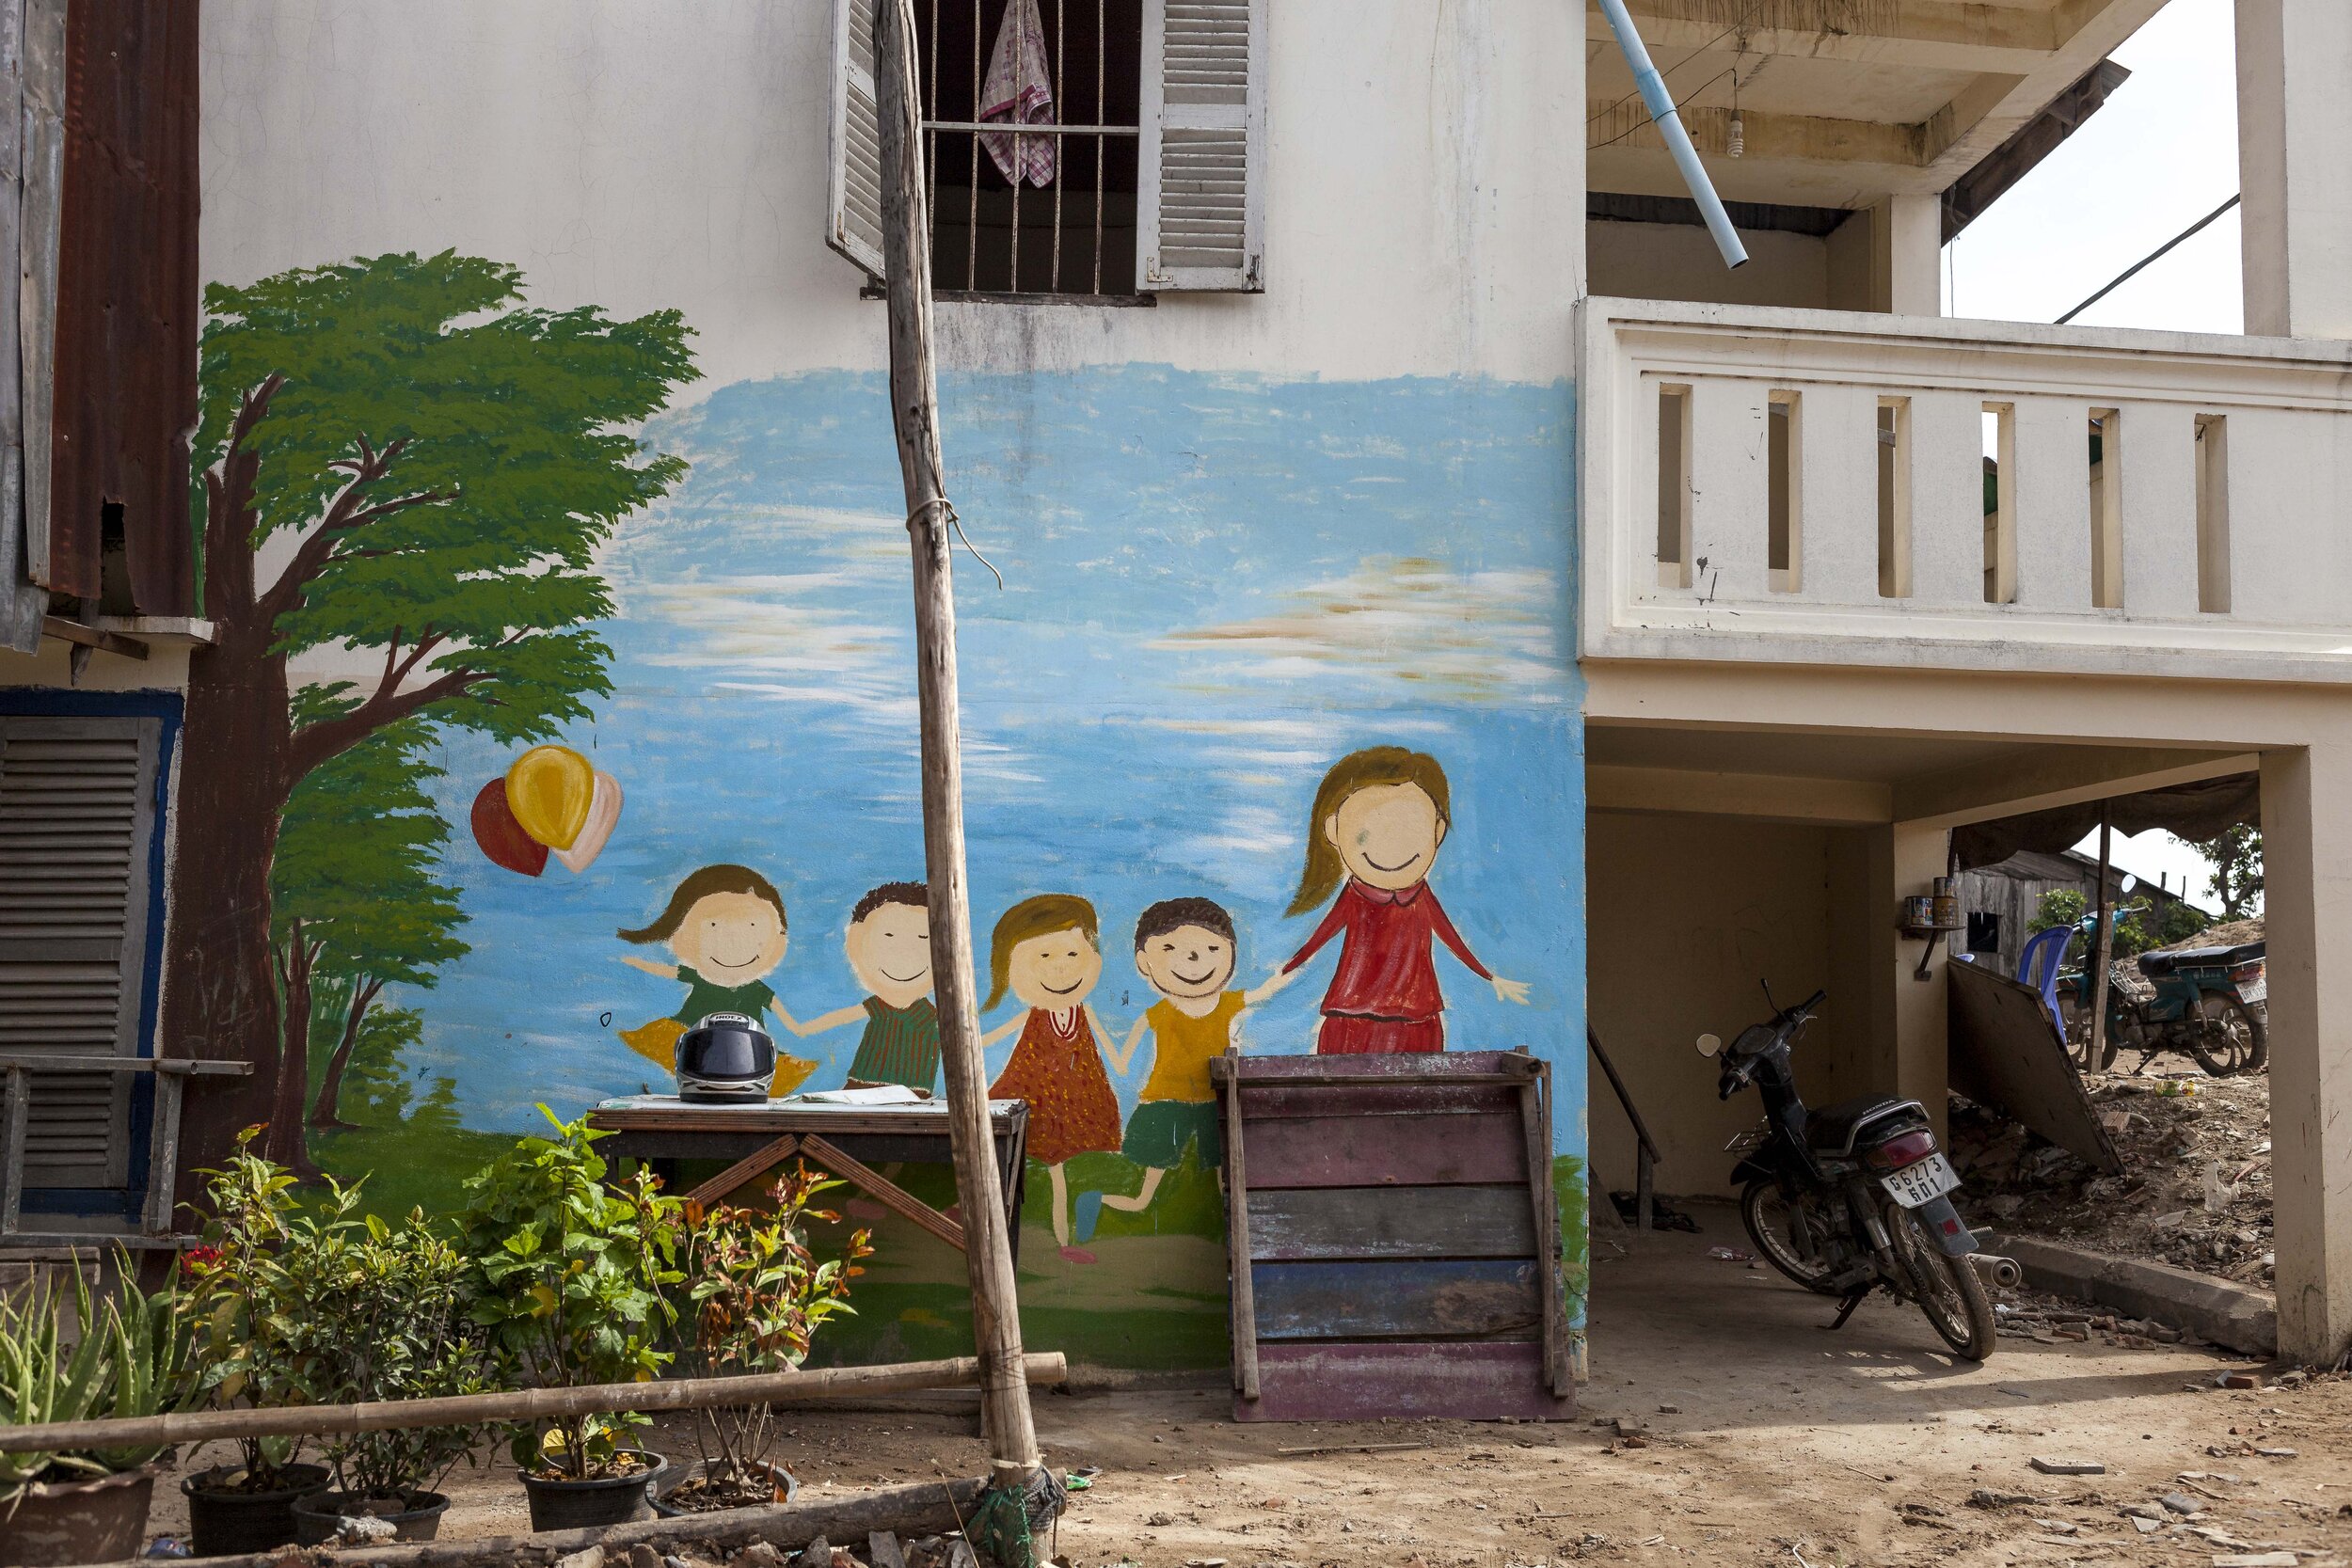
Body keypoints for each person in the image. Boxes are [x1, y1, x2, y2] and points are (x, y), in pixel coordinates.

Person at [1280, 746, 1532, 1053]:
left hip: (1416, 1017)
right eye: (1365, 834)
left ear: (1438, 830)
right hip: (1351, 1014)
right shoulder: (1355, 896)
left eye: (1408, 832)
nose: (1389, 848)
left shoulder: (1421, 899)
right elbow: (1321, 935)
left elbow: (1452, 939)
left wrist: (1491, 977)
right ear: (1333, 830)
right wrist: (1284, 970)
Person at [1080, 896, 1295, 1239]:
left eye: (1213, 948)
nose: (1195, 959)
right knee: (1141, 1199)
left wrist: (1293, 966)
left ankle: (1234, 1244)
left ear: (1231, 956)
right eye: (1170, 948)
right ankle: (1093, 1203)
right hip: (1165, 1105)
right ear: (1144, 962)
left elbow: (1265, 991)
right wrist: (1092, 1021)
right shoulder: (1157, 1014)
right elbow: (1121, 1062)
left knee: (1225, 1187)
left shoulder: (1227, 1003)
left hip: (1215, 1104)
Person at [980, 894, 1120, 1263]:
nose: (1061, 968)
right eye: (1043, 956)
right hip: (1036, 1104)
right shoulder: (1035, 1016)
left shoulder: (1084, 1015)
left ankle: (1067, 1240)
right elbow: (990, 1037)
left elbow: (1111, 1057)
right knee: (1041, 1174)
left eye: (1073, 955)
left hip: (1075, 1109)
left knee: (1066, 1176)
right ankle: (1062, 1242)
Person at [615, 863, 818, 1094]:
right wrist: (634, 963)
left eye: (752, 925)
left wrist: (802, 1030)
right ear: (678, 935)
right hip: (691, 1046)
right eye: (713, 925)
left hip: (749, 1058)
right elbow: (668, 971)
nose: (732, 939)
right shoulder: (701, 980)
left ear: (780, 939)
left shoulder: (758, 990)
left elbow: (791, 1023)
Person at [788, 881, 942, 1094]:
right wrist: (801, 1029)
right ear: (856, 942)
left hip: (914, 1098)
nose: (903, 953)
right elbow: (839, 1018)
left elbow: (972, 1043)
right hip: (861, 1089)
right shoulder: (878, 1007)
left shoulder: (932, 1017)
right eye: (888, 936)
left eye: (923, 938)